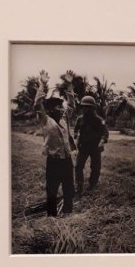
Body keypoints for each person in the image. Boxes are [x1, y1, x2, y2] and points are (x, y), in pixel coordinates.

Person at [34, 70, 76, 216]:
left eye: (61, 106)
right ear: (51, 109)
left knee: (69, 188)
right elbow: (37, 103)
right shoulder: (45, 120)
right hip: (53, 161)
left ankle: (68, 214)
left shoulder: (65, 120)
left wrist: (69, 85)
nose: (61, 109)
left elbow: (71, 106)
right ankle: (51, 217)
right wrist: (42, 84)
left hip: (67, 160)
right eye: (58, 107)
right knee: (52, 190)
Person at [74, 95, 109, 195]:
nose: (85, 109)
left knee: (95, 166)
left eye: (88, 107)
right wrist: (76, 136)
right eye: (84, 107)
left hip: (95, 147)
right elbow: (76, 129)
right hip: (83, 146)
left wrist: (102, 141)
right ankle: (79, 184)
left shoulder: (99, 120)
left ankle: (92, 184)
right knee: (78, 166)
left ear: (93, 108)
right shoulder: (79, 119)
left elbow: (105, 132)